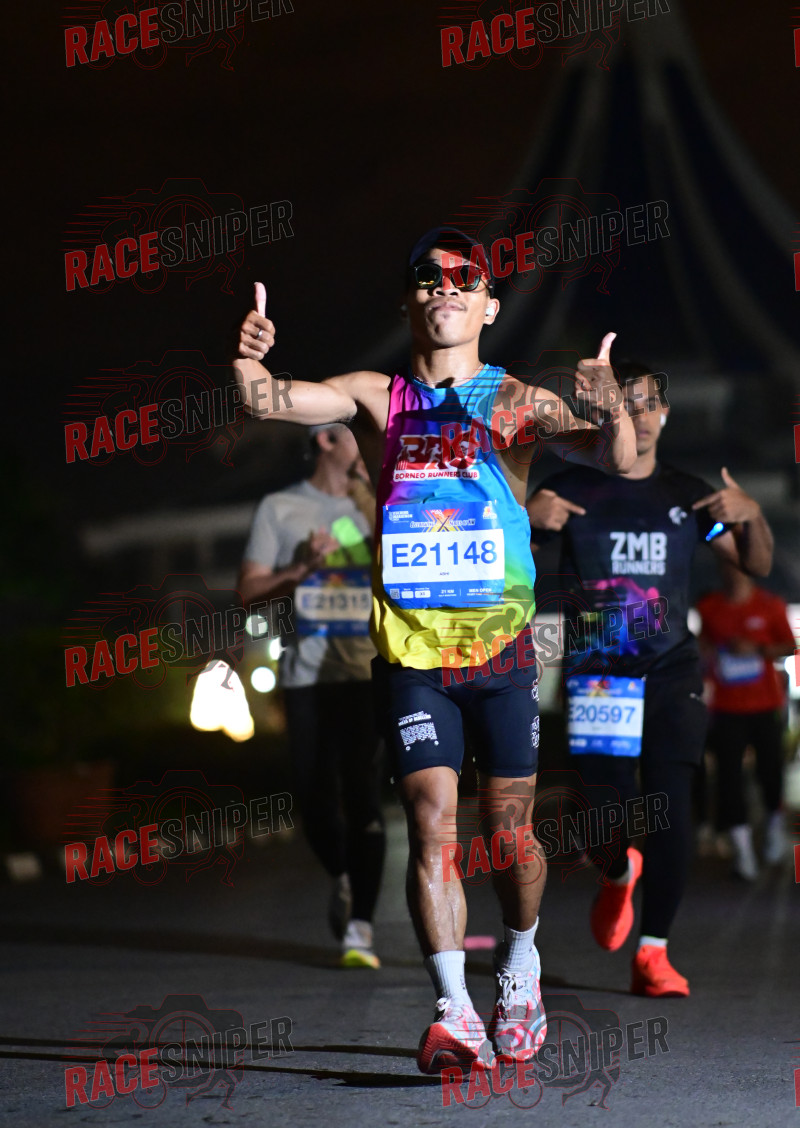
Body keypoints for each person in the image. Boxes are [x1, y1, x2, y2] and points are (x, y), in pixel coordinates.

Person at [233, 227, 637, 1073]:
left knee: (511, 834)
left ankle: (519, 965)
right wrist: (249, 359)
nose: (445, 285)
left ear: (488, 304)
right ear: (410, 301)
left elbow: (617, 459)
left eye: (464, 276)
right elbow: (268, 401)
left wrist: (611, 408)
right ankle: (454, 1011)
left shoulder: (514, 400)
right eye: (428, 275)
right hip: (414, 658)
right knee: (430, 827)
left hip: (501, 653)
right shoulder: (378, 397)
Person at [527, 361, 774, 997]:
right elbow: (508, 565)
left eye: (647, 404)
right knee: (600, 814)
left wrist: (751, 514)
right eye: (625, 403)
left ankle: (654, 952)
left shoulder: (688, 495)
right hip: (599, 675)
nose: (636, 416)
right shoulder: (569, 486)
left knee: (671, 807)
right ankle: (616, 874)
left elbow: (755, 563)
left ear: (664, 413)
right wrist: (527, 520)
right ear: (604, 412)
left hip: (671, 671)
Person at [239, 423, 386, 967]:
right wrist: (301, 568)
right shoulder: (280, 508)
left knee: (364, 796)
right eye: (356, 435)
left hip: (368, 675)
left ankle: (361, 930)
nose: (370, 444)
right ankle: (342, 874)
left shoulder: (381, 506)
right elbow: (249, 590)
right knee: (315, 801)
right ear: (325, 441)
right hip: (306, 679)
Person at [697, 558, 795, 878]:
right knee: (729, 776)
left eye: (739, 567)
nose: (733, 573)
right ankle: (742, 851)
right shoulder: (710, 607)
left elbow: (789, 646)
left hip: (765, 704)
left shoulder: (770, 605)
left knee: (770, 771)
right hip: (727, 707)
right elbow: (703, 647)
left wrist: (757, 649)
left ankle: (773, 829)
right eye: (727, 566)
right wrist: (709, 653)